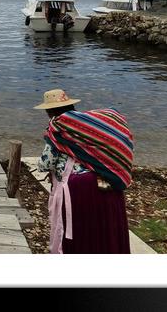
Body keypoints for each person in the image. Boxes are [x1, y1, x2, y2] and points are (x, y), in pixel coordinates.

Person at [34, 89, 133, 254]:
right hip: (104, 182)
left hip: (78, 189)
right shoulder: (87, 127)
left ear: (49, 111)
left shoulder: (58, 129)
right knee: (102, 229)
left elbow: (45, 164)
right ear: (71, 105)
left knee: (82, 231)